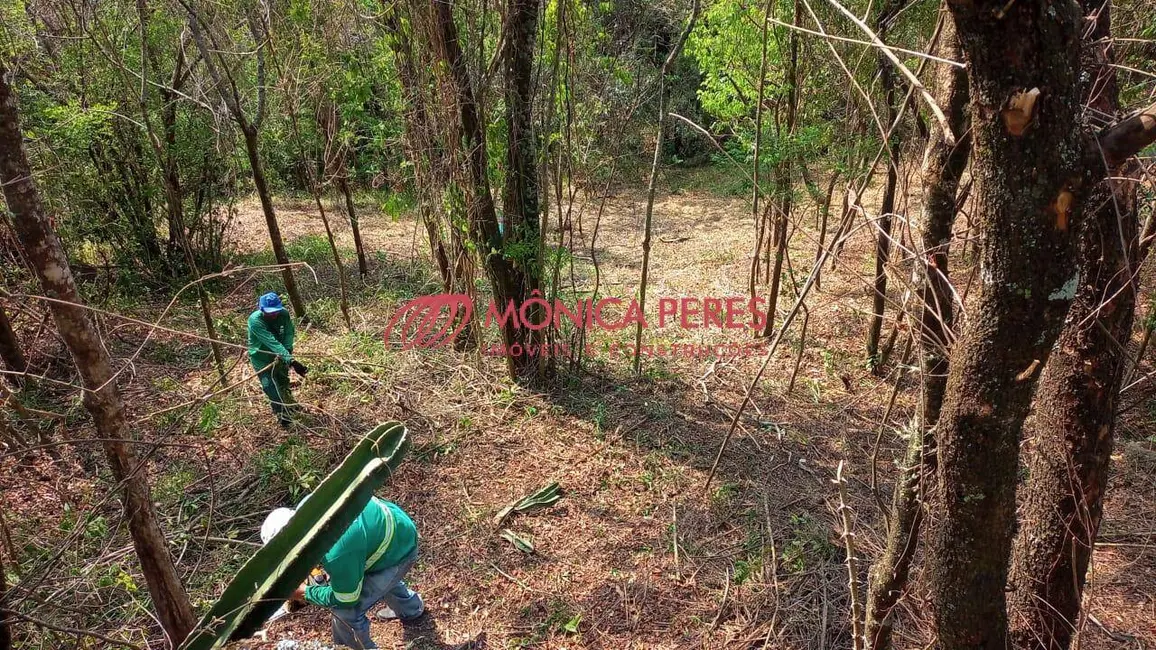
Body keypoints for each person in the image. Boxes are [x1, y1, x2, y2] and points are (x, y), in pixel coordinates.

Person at [261, 496, 425, 649]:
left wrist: (304, 592)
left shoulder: (337, 551)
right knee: (377, 579)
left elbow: (346, 599)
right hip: (397, 531)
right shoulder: (310, 505)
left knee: (345, 613)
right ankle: (411, 609)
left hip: (399, 553)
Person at [247, 292, 307, 428]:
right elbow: (271, 342)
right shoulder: (255, 320)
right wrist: (291, 361)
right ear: (261, 309)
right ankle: (281, 413)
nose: (274, 314)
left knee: (282, 380)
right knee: (270, 386)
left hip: (280, 355)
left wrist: (288, 353)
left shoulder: (283, 314)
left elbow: (288, 333)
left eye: (276, 311)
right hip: (261, 358)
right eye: (270, 312)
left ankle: (289, 402)